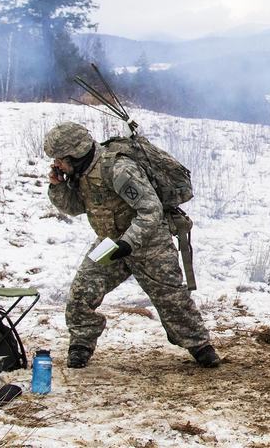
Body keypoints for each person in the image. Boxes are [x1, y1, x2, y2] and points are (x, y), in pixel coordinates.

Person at [43, 122, 220, 369]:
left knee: (172, 299)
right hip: (111, 242)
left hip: (149, 243)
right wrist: (58, 186)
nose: (57, 164)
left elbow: (150, 210)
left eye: (60, 159)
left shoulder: (118, 168)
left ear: (76, 152)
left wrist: (129, 242)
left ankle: (200, 346)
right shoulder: (80, 173)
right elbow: (75, 208)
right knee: (82, 292)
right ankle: (81, 345)